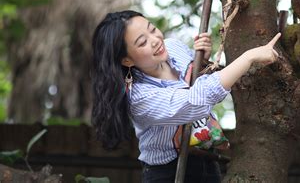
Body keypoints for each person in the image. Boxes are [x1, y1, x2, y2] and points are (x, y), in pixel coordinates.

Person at [91, 10, 281, 182]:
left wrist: (204, 60)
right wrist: (248, 58)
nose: (156, 39)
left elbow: (208, 86)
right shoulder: (138, 97)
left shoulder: (173, 47)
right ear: (127, 60)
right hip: (167, 172)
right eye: (143, 42)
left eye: (152, 29)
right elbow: (196, 102)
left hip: (206, 157)